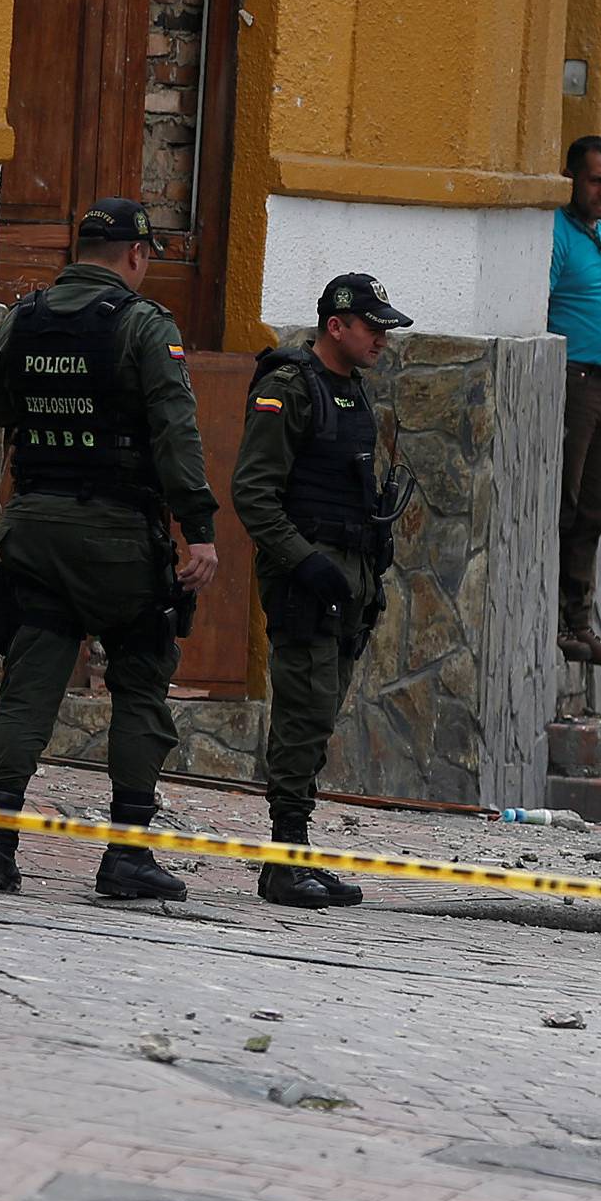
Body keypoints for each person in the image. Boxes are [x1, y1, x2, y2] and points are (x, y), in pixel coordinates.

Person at [0, 197, 220, 898]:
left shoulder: (24, 317)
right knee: (140, 678)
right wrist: (199, 528)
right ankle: (127, 851)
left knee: (30, 684)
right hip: (115, 538)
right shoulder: (143, 324)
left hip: (35, 527)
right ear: (136, 256)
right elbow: (176, 433)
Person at [232, 272, 415, 909]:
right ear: (335, 325)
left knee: (320, 716)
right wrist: (304, 563)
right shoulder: (291, 386)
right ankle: (282, 862)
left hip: (349, 582)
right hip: (308, 582)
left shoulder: (352, 391)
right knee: (301, 716)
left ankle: (298, 854)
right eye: (371, 326)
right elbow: (253, 493)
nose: (381, 339)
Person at [547, 134, 601, 667]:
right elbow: (543, 301)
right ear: (574, 177)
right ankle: (560, 621)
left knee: (597, 504)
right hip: (573, 381)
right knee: (567, 504)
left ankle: (581, 622)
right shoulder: (556, 231)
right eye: (595, 181)